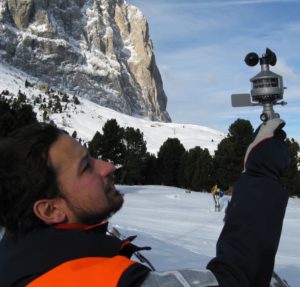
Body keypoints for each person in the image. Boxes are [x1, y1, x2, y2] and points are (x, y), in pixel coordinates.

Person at [0, 118, 290, 287]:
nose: (108, 166)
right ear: (50, 209)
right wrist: (260, 174)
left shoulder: (21, 255)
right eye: (86, 167)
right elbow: (233, 282)